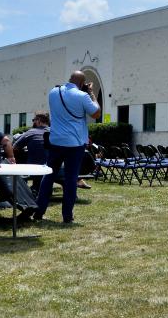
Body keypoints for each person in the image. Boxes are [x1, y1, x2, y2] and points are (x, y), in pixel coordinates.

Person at [36, 70, 101, 224]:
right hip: (75, 143)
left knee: (49, 176)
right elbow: (96, 113)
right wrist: (91, 93)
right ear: (81, 83)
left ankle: (38, 211)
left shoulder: (53, 92)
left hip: (56, 141)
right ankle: (67, 216)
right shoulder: (83, 96)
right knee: (71, 179)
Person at [13, 111, 50, 192]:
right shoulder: (55, 132)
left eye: (34, 120)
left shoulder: (31, 132)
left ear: (38, 121)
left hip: (36, 168)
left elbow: (15, 147)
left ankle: (28, 190)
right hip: (56, 167)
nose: (33, 122)